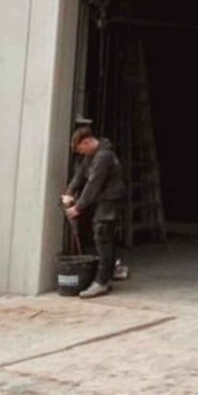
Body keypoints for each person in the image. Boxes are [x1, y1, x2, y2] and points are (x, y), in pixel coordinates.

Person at [62, 127, 125, 298]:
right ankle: (108, 273)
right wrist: (69, 192)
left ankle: (101, 282)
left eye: (81, 149)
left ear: (87, 142)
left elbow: (93, 184)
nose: (81, 153)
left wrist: (77, 207)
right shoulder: (91, 155)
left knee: (102, 237)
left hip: (110, 201)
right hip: (103, 201)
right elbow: (80, 175)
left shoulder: (103, 157)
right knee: (103, 238)